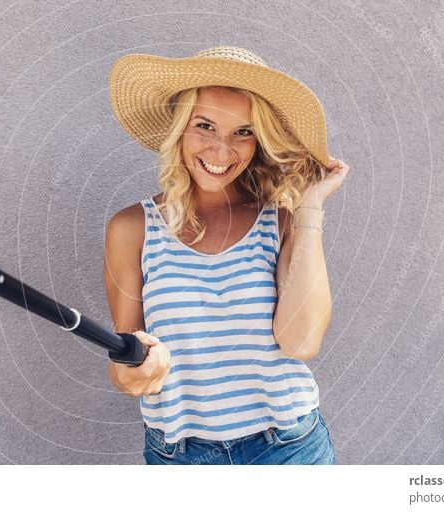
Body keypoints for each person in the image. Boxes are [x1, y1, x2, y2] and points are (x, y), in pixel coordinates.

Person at [103, 46, 351, 465]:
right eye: (205, 126)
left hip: (288, 449)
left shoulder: (280, 221)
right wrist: (132, 374)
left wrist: (310, 210)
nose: (222, 151)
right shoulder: (132, 228)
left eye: (243, 132)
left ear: (260, 142)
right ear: (179, 128)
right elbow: (128, 354)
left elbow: (302, 341)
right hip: (180, 457)